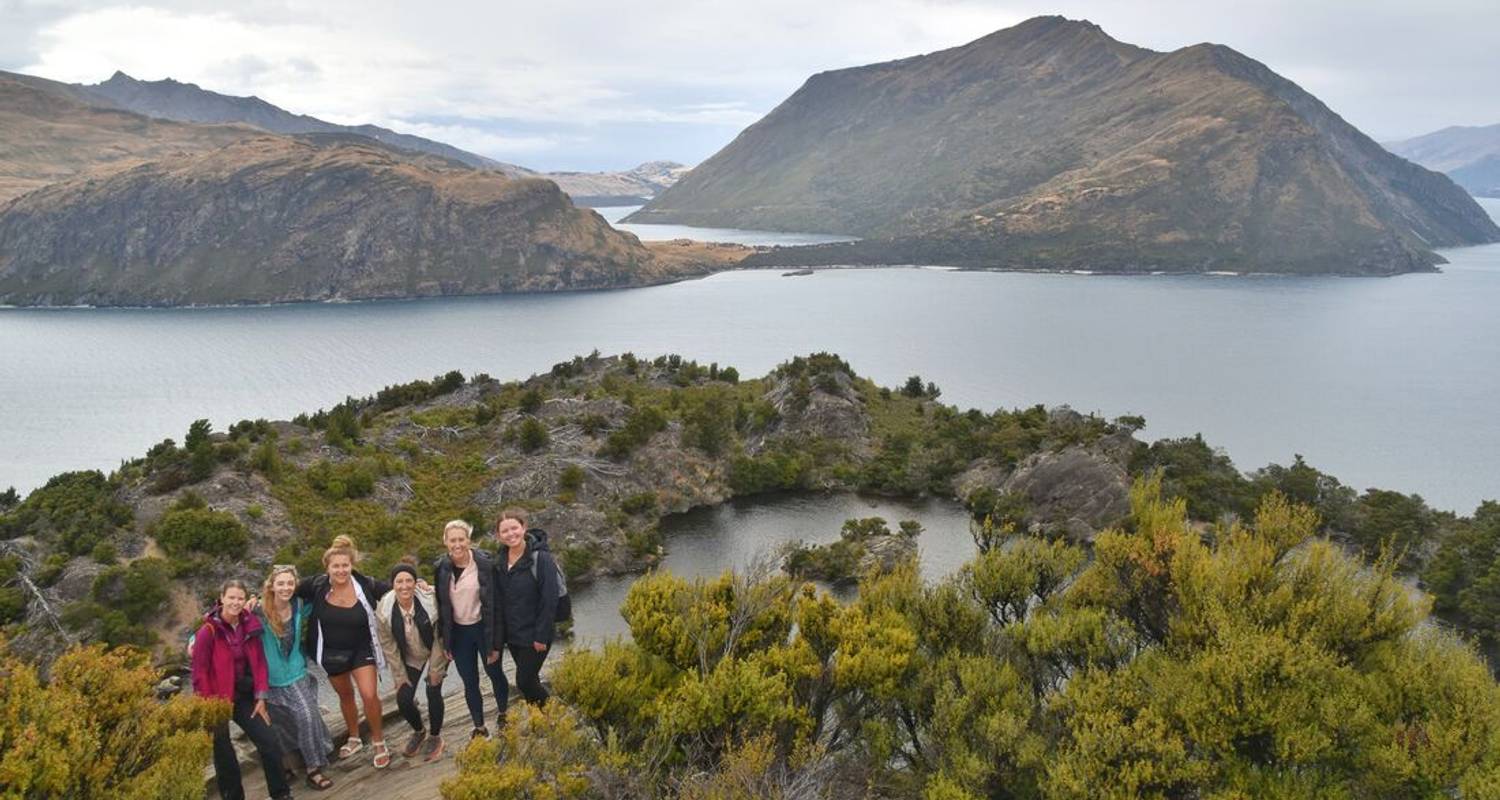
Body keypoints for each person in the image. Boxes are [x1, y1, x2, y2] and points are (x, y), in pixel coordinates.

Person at [294, 535, 393, 768]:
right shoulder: (316, 585)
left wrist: (417, 583)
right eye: (335, 566)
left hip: (362, 649)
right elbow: (285, 588)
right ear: (327, 567)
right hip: (330, 651)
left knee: (369, 694)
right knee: (345, 695)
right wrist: (258, 599)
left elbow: (395, 588)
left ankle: (379, 741)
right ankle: (354, 736)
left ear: (351, 565)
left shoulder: (365, 584)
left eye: (345, 565)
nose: (340, 570)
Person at [191, 579, 293, 800]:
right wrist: (210, 707)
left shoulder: (250, 624)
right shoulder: (207, 632)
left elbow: (259, 663)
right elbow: (199, 673)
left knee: (269, 742)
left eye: (240, 598)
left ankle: (281, 794)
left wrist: (261, 696)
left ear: (246, 600)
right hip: (216, 700)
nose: (236, 602)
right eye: (231, 597)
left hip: (244, 696)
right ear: (222, 598)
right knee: (224, 754)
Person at [258, 564, 335, 791]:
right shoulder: (257, 611)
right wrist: (196, 638)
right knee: (278, 724)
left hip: (296, 673)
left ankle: (313, 768)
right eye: (280, 583)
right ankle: (289, 765)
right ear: (271, 586)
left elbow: (327, 587)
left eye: (290, 583)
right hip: (269, 679)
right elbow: (227, 617)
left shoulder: (300, 605)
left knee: (307, 715)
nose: (286, 587)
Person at [433, 519, 503, 739]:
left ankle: (504, 713)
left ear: (469, 540)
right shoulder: (441, 567)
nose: (457, 544)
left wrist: (497, 641)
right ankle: (479, 727)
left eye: (461, 539)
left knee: (495, 673)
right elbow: (442, 604)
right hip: (460, 633)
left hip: (483, 629)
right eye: (452, 540)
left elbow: (496, 604)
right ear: (445, 542)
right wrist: (446, 640)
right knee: (469, 681)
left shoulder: (485, 564)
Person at [375, 556, 448, 762]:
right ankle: (419, 731)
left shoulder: (430, 600)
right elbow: (388, 644)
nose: (404, 586)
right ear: (393, 584)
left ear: (416, 583)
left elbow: (440, 635)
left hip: (435, 647)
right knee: (403, 698)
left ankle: (435, 736)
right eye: (399, 581)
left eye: (409, 580)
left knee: (433, 688)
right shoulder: (384, 609)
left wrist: (435, 670)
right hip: (410, 653)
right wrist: (399, 675)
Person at [493, 507, 560, 708]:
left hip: (536, 636)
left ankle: (556, 715)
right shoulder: (500, 561)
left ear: (524, 528)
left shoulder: (541, 559)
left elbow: (549, 599)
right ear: (498, 535)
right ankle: (541, 719)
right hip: (515, 636)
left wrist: (541, 636)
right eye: (504, 531)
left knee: (523, 681)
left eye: (514, 528)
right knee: (531, 680)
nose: (510, 534)